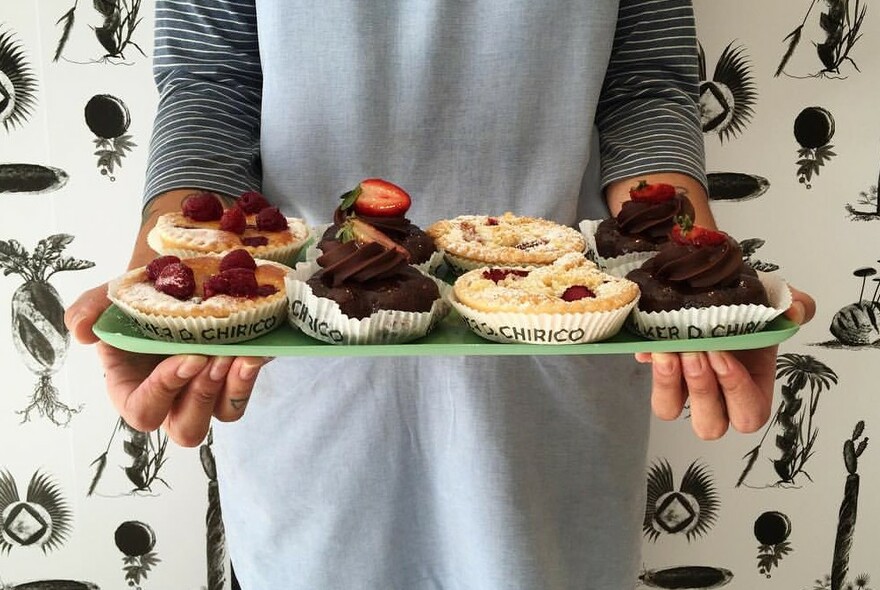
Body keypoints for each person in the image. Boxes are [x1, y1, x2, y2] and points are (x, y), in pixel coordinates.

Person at [65, 0, 815, 588]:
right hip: (308, 365)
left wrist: (689, 282)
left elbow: (645, 84)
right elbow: (211, 83)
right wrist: (170, 289)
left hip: (554, 362)